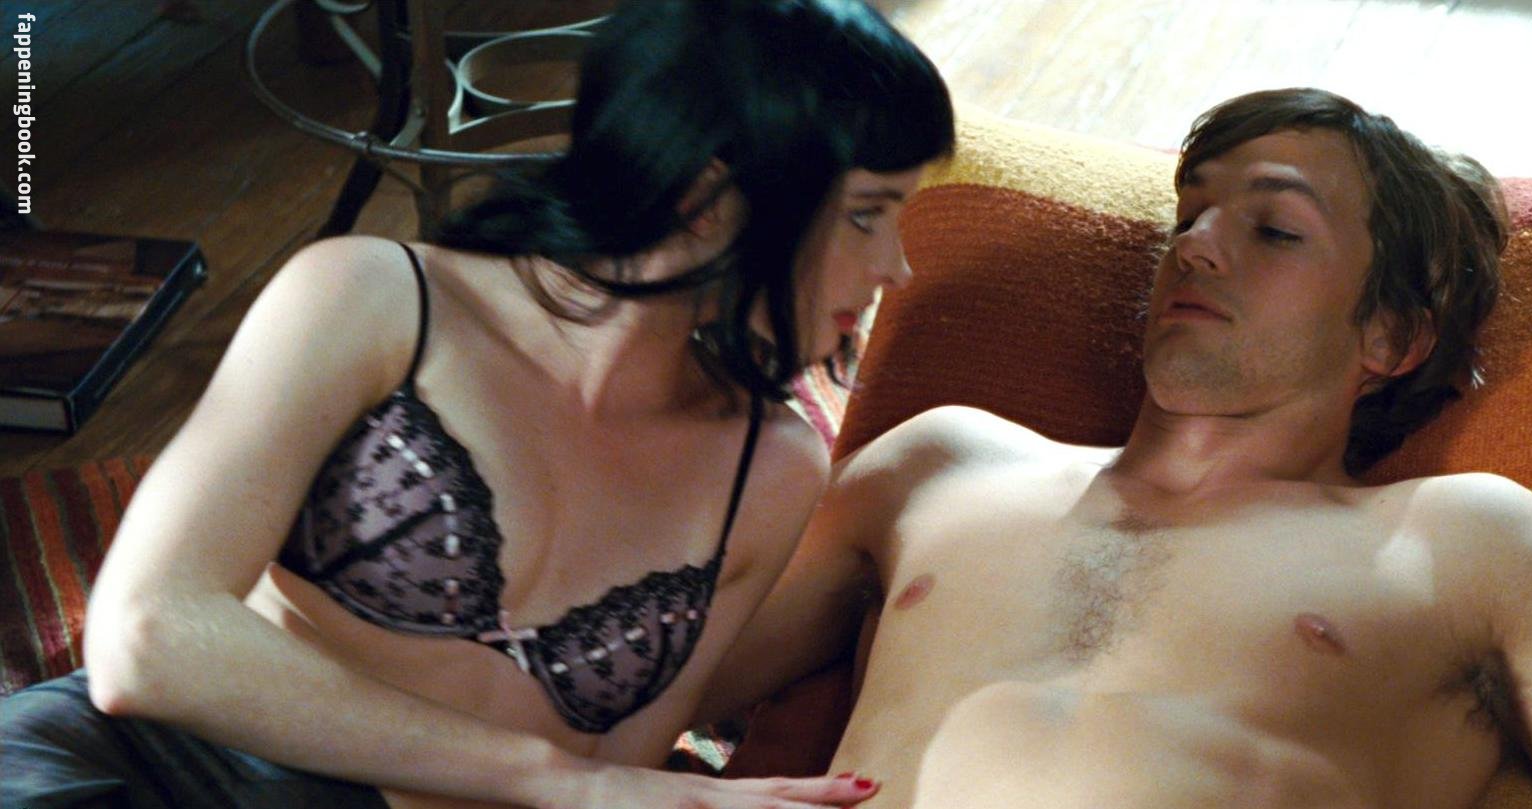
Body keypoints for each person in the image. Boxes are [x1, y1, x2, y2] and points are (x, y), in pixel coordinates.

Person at [698, 88, 1532, 808]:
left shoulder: (1465, 539)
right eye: (1189, 214)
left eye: (1274, 228)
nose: (1196, 245)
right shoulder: (946, 463)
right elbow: (644, 679)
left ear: (1392, 335)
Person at [0, 1, 952, 807]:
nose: (897, 267)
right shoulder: (375, 300)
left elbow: (617, 778)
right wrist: (555, 777)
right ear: (710, 197)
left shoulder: (770, 471)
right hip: (141, 765)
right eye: (867, 214)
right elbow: (146, 636)